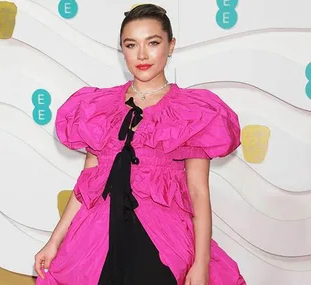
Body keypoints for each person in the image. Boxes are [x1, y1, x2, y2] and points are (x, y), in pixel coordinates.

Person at [34, 4, 246, 285]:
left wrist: (201, 263)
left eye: (153, 42)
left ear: (171, 46)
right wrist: (54, 241)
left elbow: (198, 193)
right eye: (131, 45)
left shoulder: (191, 112)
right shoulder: (98, 109)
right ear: (122, 51)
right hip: (97, 238)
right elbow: (88, 183)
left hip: (161, 240)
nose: (142, 55)